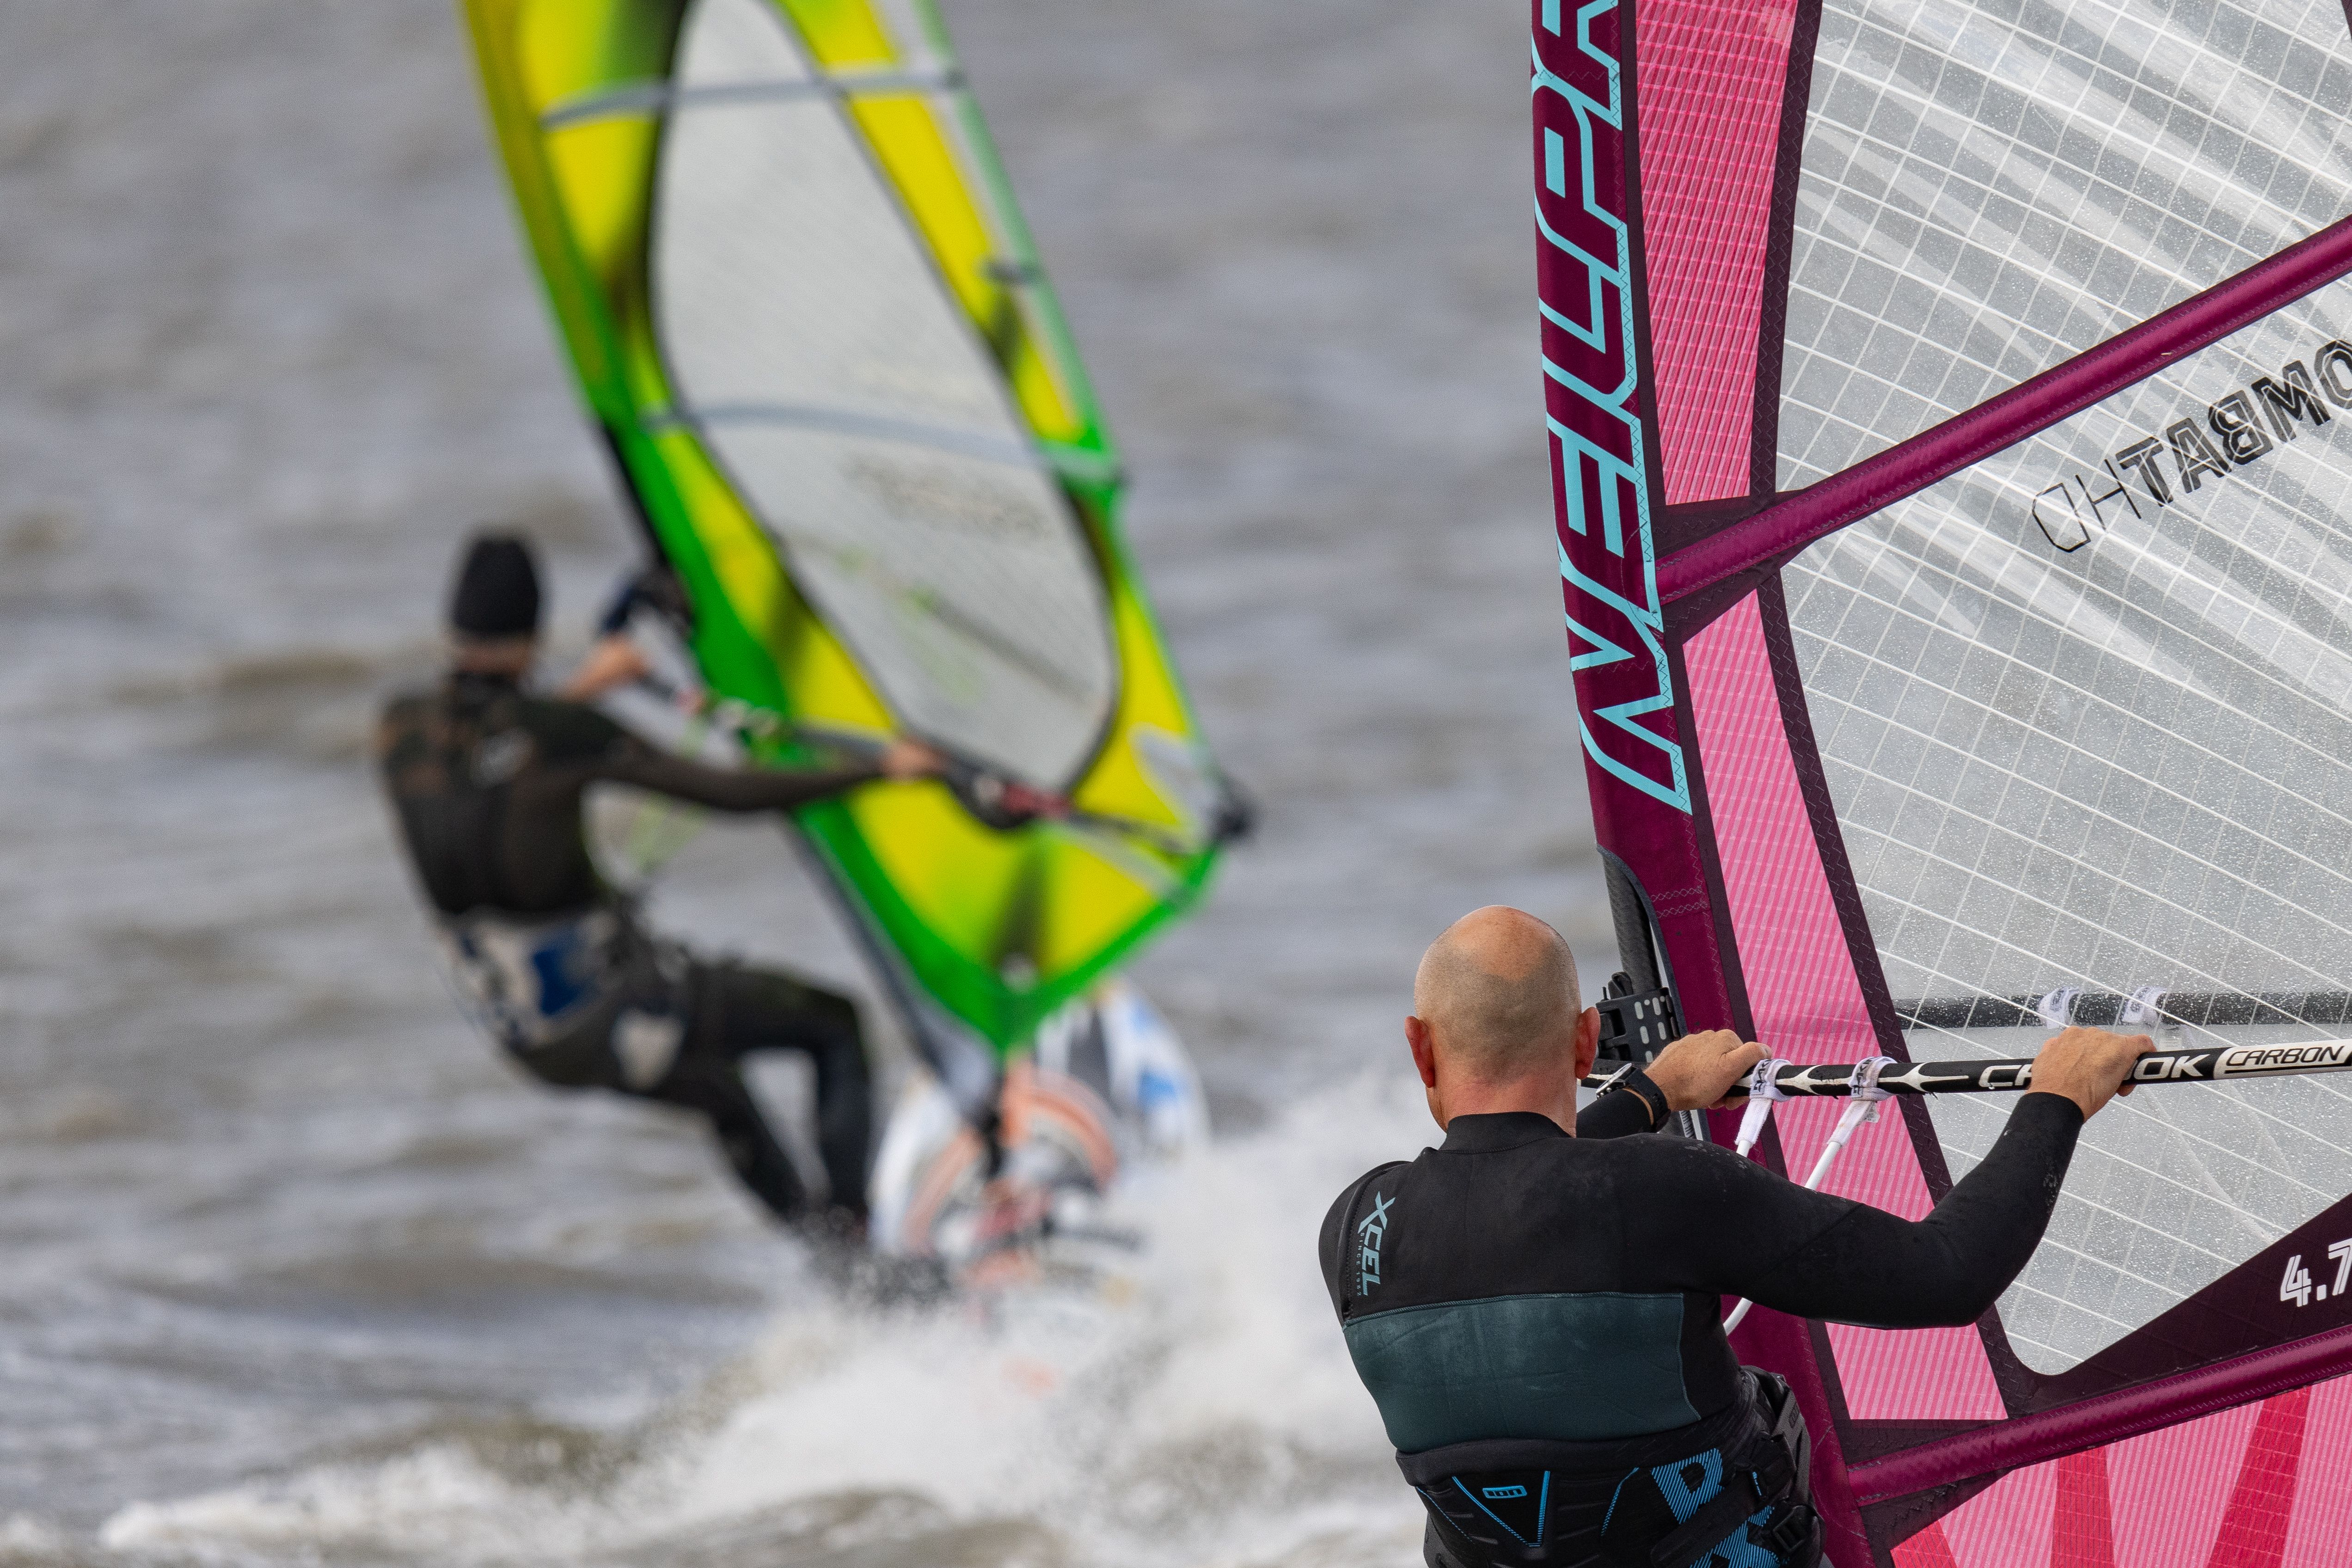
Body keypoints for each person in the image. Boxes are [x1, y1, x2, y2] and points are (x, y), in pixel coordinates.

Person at [1320, 906, 2151, 1568]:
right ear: (1583, 1042)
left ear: (1420, 1047)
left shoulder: (1357, 1230)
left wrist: (1650, 1091)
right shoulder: (1665, 1190)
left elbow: (1517, 1196)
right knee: (1767, 1402)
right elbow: (1946, 1276)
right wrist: (2055, 1101)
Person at [375, 532, 940, 1243]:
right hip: (610, 1013)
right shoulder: (562, 734)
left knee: (722, 1094)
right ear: (535, 631)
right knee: (834, 1027)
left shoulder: (399, 729)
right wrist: (883, 767)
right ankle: (859, 1248)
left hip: (526, 1038)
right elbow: (731, 792)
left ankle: (837, 1268)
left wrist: (581, 690)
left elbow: (495, 764)